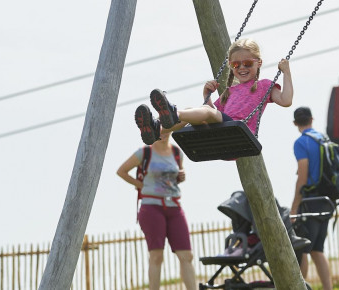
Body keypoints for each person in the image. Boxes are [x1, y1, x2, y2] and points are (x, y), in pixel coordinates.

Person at [135, 38, 294, 145]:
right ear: (231, 65)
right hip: (223, 129)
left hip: (239, 132)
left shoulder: (264, 85)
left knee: (205, 111)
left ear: (259, 63)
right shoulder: (230, 91)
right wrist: (207, 95)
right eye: (236, 65)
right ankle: (156, 129)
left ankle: (172, 113)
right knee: (193, 110)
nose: (242, 68)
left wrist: (286, 72)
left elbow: (286, 100)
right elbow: (214, 113)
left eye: (247, 63)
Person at [116, 130, 196, 290]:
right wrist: (142, 185)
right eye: (159, 129)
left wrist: (181, 176)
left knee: (186, 256)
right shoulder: (144, 152)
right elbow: (121, 171)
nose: (163, 132)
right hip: (151, 208)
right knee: (156, 256)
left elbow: (176, 177)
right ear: (152, 130)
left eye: (166, 129)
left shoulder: (177, 152)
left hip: (174, 206)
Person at [290, 106, 334, 290]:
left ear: (295, 123)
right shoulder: (323, 139)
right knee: (317, 249)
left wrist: (294, 207)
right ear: (312, 119)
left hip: (310, 201)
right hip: (328, 200)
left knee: (303, 249)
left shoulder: (301, 143)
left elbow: (303, 176)